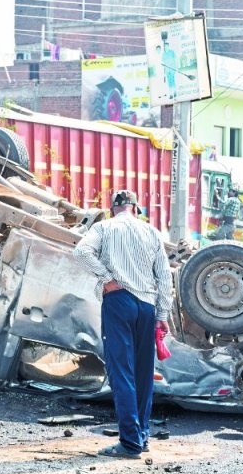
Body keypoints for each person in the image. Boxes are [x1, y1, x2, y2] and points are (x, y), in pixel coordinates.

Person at [73, 189, 173, 459]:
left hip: (119, 302)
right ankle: (142, 436)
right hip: (147, 306)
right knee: (143, 375)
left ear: (112, 209)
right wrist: (163, 315)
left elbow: (81, 252)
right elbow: (164, 276)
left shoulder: (104, 227)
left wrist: (106, 278)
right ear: (136, 209)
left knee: (121, 374)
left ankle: (129, 443)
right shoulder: (151, 232)